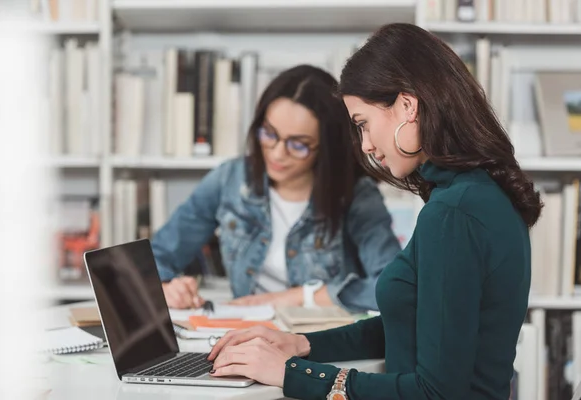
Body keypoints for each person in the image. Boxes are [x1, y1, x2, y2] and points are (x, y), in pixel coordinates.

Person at [206, 23, 543, 400]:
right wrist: (299, 345)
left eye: (363, 124)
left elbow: (434, 393)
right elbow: (414, 325)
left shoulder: (452, 213)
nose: (366, 145)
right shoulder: (478, 194)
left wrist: (292, 374)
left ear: (407, 106)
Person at [152, 64, 401, 313]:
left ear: (326, 148)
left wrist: (303, 296)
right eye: (269, 134)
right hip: (243, 334)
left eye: (299, 145)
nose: (278, 153)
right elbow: (155, 258)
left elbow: (394, 287)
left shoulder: (356, 195)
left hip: (319, 340)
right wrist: (167, 289)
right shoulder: (230, 179)